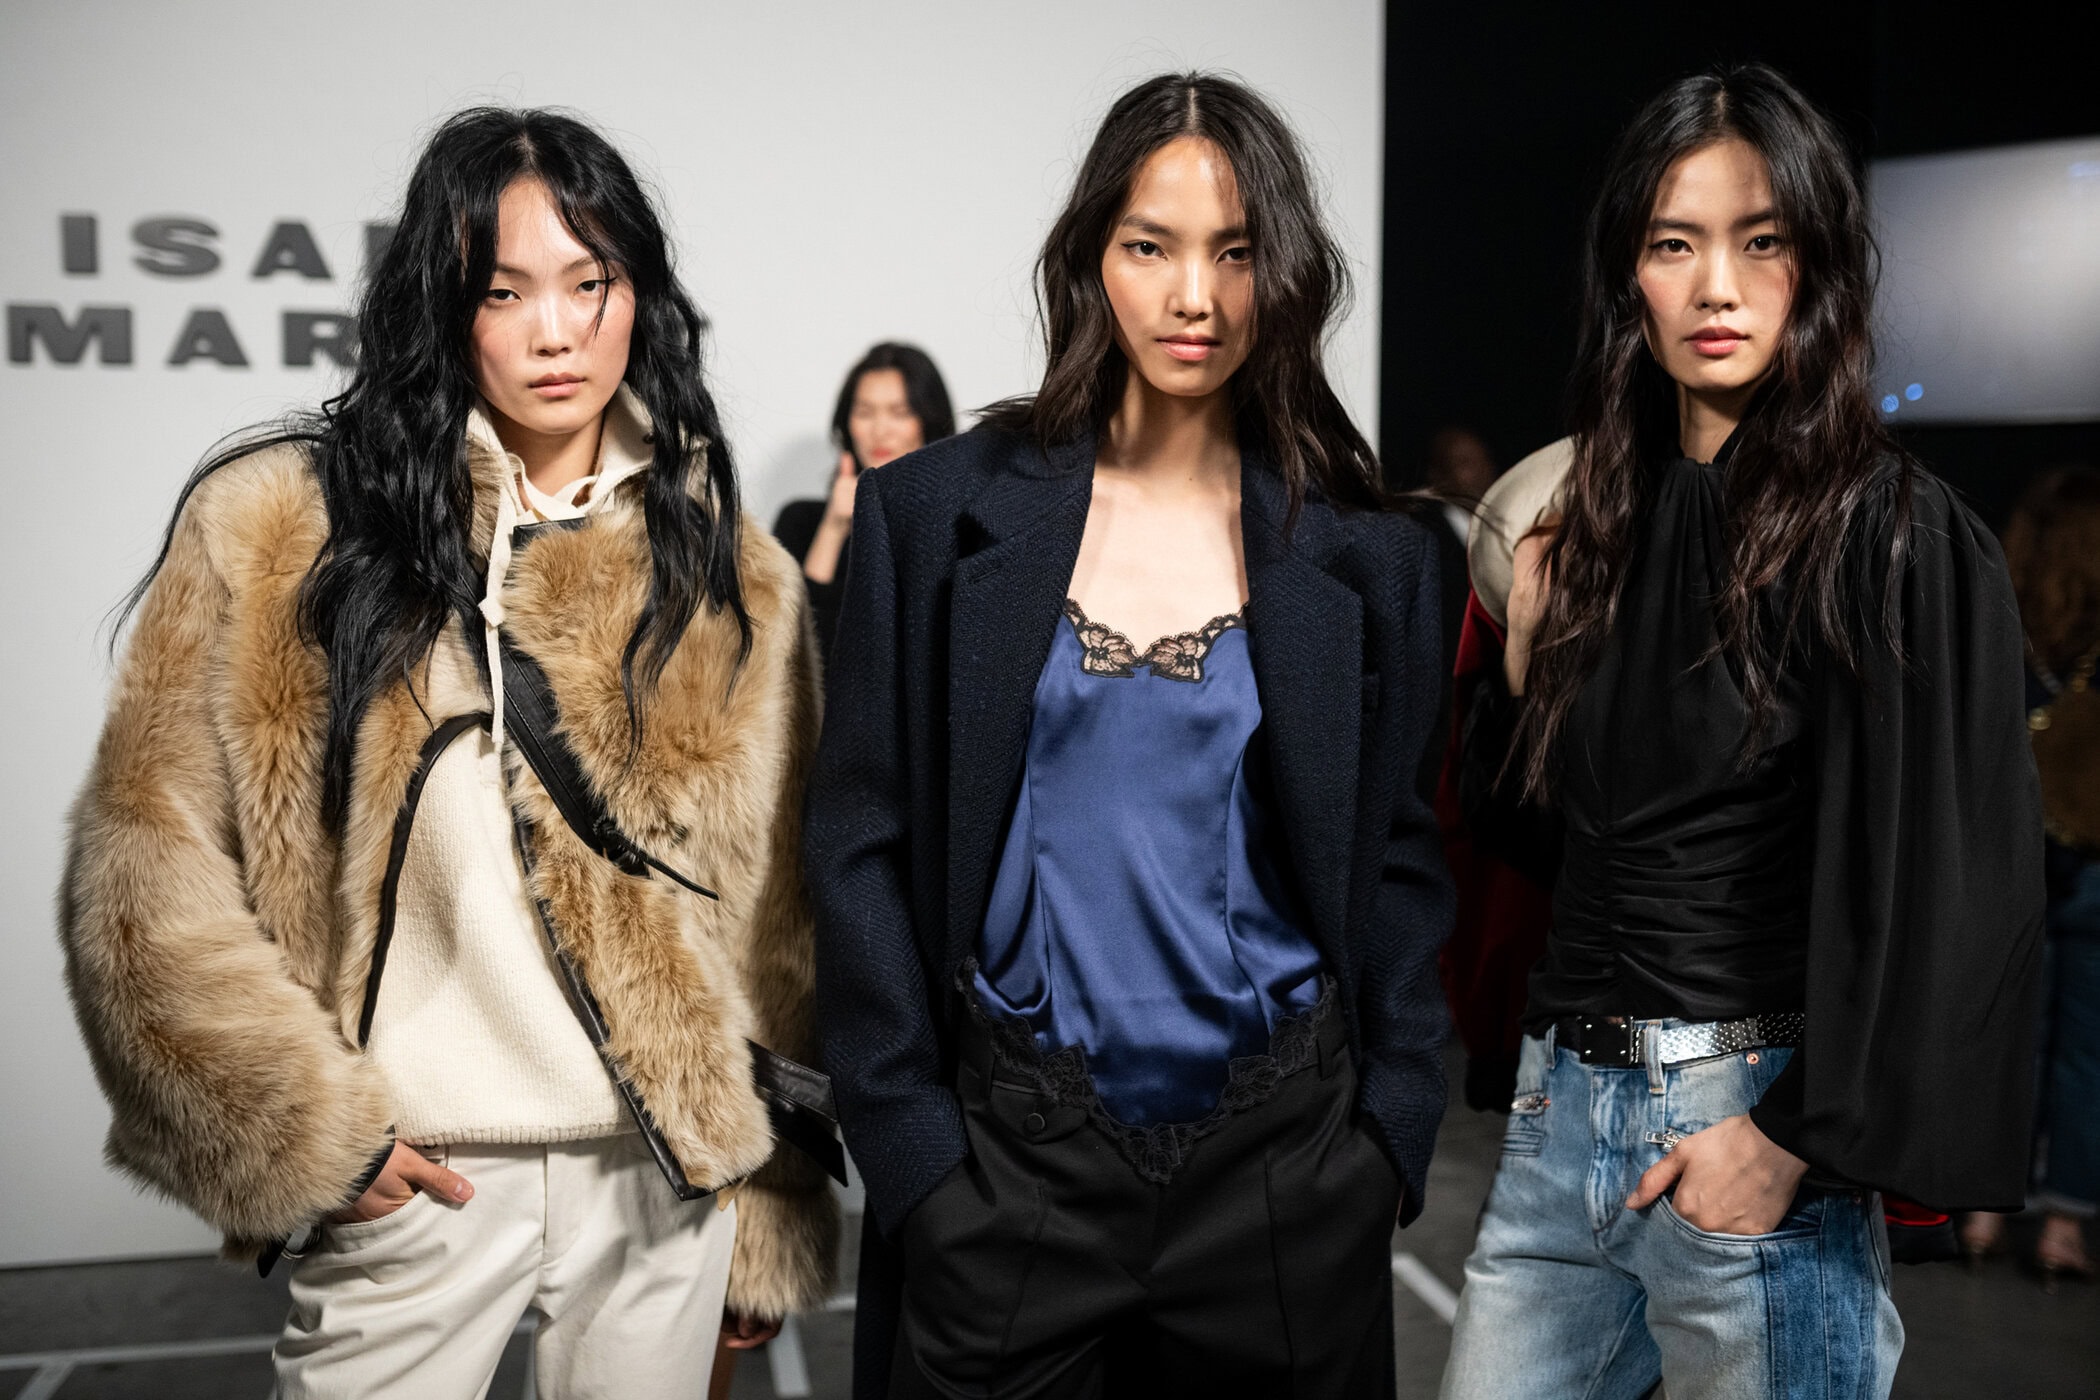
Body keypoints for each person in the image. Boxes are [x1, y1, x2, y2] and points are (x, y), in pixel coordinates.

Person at [59, 108, 837, 1399]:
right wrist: (301, 1130)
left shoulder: (727, 569)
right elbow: (146, 864)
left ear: (638, 295)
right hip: (416, 1176)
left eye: (590, 283)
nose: (555, 332)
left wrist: (772, 1196)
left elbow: (775, 917)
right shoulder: (280, 527)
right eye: (504, 291)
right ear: (442, 305)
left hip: (661, 1181)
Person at [804, 72, 1453, 1398]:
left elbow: (1399, 859)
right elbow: (858, 840)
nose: (1193, 296)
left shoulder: (1371, 551)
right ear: (1092, 256)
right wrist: (916, 1155)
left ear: (1284, 272)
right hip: (1007, 1172)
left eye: (1236, 252)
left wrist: (1386, 1133)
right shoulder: (932, 517)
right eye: (1151, 246)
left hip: (1284, 1179)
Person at [1441, 64, 2043, 1400]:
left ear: (1815, 263)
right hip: (1558, 1120)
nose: (1716, 286)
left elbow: (1955, 891)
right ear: (1629, 277)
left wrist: (1788, 1139)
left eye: (1760, 241)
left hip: (1744, 1127)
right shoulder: (1595, 525)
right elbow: (1538, 843)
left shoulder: (1891, 532)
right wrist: (1522, 664)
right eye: (1675, 244)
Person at [1961, 465, 2100, 1287]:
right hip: (2094, 869)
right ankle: (2063, 1232)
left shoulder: (1999, 629)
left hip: (2007, 866)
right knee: (2087, 1053)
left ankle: (1982, 1212)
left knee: (2006, 1040)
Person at [772, 342, 956, 662]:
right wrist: (833, 529)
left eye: (900, 413)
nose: (880, 430)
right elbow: (787, 653)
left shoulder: (959, 524)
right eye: (865, 412)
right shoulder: (801, 520)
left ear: (929, 422)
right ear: (847, 424)